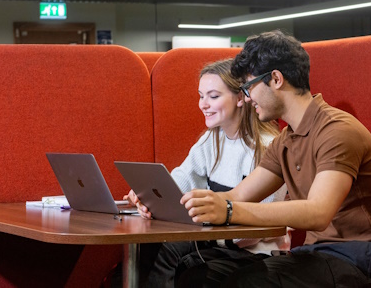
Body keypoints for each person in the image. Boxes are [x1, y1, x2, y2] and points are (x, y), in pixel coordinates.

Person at [178, 30, 371, 287]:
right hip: (315, 256)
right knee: (196, 275)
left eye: (249, 87)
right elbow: (238, 195)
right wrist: (180, 206)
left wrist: (228, 211)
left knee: (248, 282)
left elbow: (318, 212)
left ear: (275, 79)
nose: (248, 98)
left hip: (363, 260)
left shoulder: (338, 130)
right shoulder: (286, 139)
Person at [122, 59, 288, 287]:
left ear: (241, 98)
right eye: (201, 96)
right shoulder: (212, 140)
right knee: (148, 251)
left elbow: (255, 230)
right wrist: (150, 196)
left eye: (213, 96)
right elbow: (182, 180)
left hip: (253, 251)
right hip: (215, 242)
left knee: (186, 266)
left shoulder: (267, 148)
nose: (203, 104)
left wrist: (202, 221)